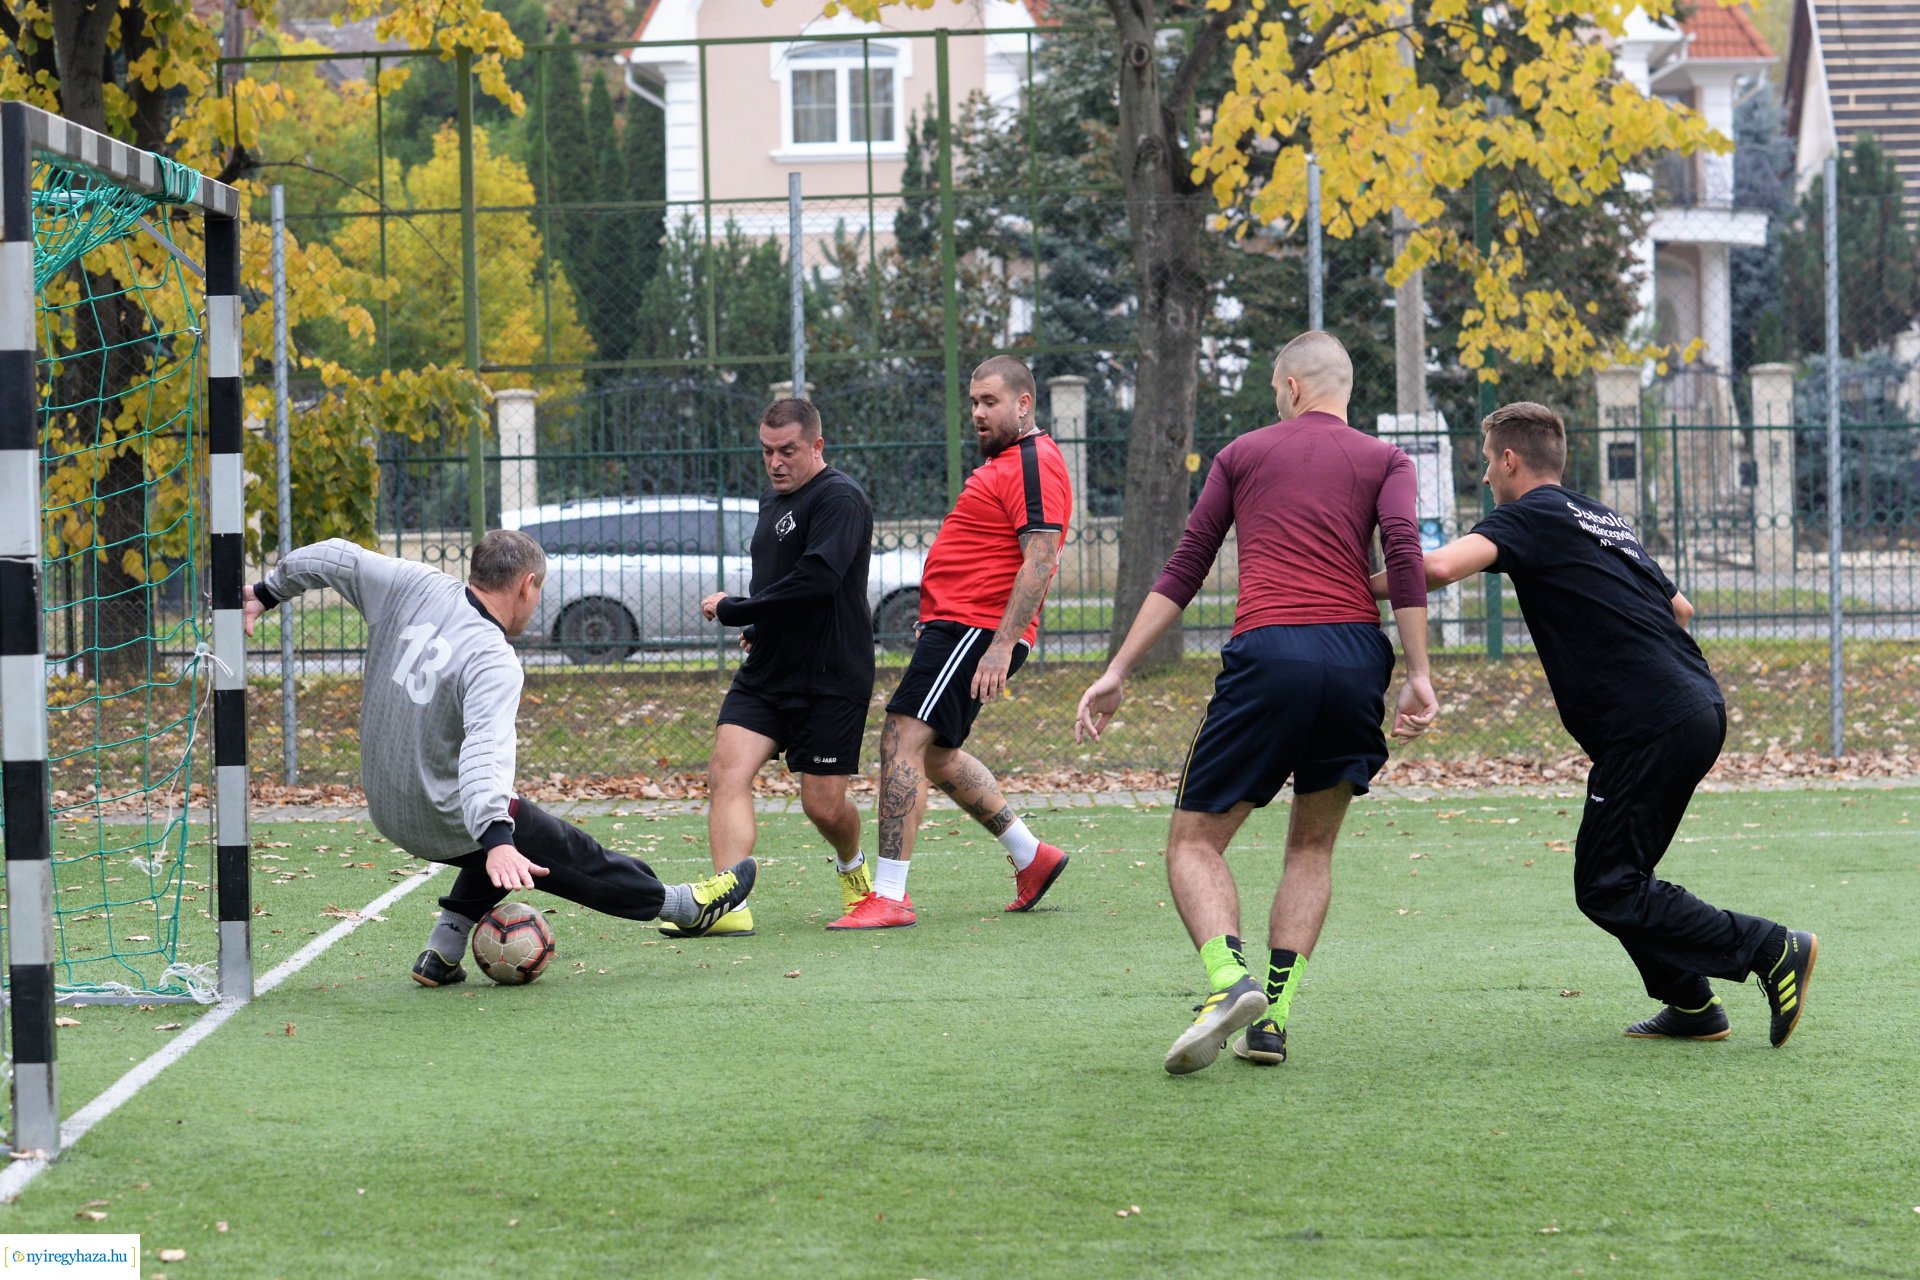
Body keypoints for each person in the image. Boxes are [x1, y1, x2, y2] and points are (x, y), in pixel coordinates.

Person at [1382, 401, 1816, 1046]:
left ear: (1509, 460)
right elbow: (1681, 608)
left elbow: (1439, 567)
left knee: (1607, 887)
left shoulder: (1527, 515)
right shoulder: (1602, 518)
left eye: (1485, 462)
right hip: (1694, 704)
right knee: (1622, 877)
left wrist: (1340, 591)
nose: (1483, 477)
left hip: (1653, 723)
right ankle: (1692, 1007)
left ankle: (1771, 947)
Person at [1077, 331, 1437, 1075]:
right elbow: (1403, 554)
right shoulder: (1386, 460)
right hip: (1356, 663)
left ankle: (1227, 982)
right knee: (1311, 847)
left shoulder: (1242, 454)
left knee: (1193, 842)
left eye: (1277, 389)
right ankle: (1270, 1022)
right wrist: (1420, 672)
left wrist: (1118, 668)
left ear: (1294, 388)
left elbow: (1186, 565)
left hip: (1271, 656)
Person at [241, 530, 755, 985]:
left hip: (382, 801)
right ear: (527, 585)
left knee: (513, 828)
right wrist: (496, 837)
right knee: (560, 850)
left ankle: (443, 948)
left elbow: (333, 556)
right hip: (435, 813)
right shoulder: (492, 657)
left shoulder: (414, 584)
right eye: (540, 592)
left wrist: (266, 593)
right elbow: (484, 755)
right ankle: (686, 907)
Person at [827, 354, 1072, 929]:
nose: (978, 413)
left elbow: (1041, 556)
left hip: (977, 629)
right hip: (958, 626)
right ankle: (1031, 855)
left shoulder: (1036, 460)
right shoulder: (1010, 461)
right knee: (935, 754)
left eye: (990, 402)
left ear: (1023, 404)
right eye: (973, 402)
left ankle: (889, 895)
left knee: (901, 740)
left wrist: (999, 644)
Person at [674, 397, 877, 937]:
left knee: (823, 806)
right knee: (726, 771)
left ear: (817, 446)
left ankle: (854, 870)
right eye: (767, 451)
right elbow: (777, 582)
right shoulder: (773, 501)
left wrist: (737, 608)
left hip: (831, 677)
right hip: (767, 673)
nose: (776, 462)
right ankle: (727, 902)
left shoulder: (841, 499)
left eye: (788, 450)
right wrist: (757, 626)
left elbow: (816, 581)